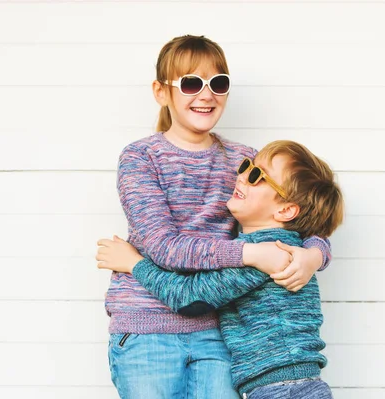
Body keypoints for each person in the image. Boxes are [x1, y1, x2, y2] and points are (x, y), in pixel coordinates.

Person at [101, 35, 332, 398]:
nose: (206, 95)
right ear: (162, 92)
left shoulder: (245, 162)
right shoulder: (141, 158)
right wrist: (252, 254)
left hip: (217, 332)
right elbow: (166, 248)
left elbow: (303, 215)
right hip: (148, 328)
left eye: (218, 83)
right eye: (191, 83)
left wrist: (313, 255)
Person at [98, 140, 344, 398]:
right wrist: (316, 254)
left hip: (284, 390)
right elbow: (315, 233)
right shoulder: (291, 248)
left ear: (285, 210)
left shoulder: (266, 256)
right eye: (247, 166)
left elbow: (187, 297)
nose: (241, 177)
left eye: (257, 175)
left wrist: (134, 264)